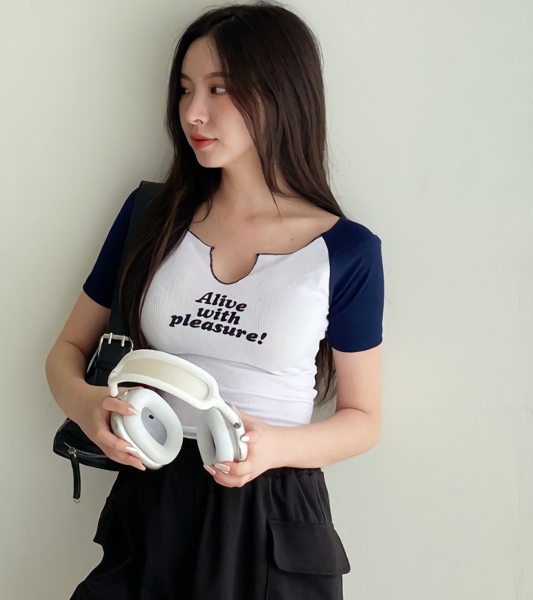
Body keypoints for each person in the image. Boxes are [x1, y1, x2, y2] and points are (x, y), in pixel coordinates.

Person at [45, 2, 384, 599]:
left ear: (281, 94)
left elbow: (364, 420)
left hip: (271, 510)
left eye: (219, 89)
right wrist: (87, 405)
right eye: (185, 89)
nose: (192, 113)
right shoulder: (152, 218)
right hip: (153, 496)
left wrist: (275, 447)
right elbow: (67, 349)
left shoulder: (346, 251)